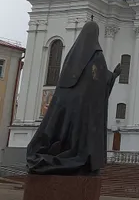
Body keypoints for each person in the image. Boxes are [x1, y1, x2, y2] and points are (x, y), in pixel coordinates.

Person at [27, 21, 121, 175]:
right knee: (81, 141)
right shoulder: (97, 56)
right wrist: (114, 76)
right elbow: (100, 82)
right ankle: (79, 161)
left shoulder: (71, 56)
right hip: (85, 112)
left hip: (67, 109)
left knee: (65, 132)